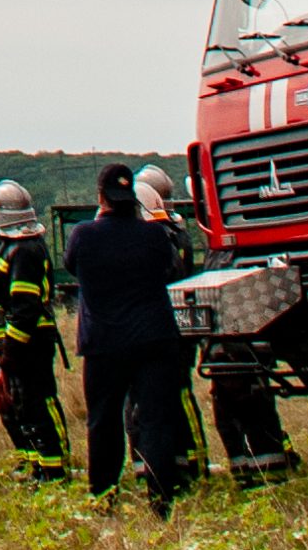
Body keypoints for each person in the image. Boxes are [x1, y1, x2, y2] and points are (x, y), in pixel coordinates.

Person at [63, 163, 190, 515]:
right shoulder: (154, 236)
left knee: (103, 421)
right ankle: (162, 499)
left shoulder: (83, 235)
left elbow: (73, 266)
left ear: (101, 196)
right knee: (155, 419)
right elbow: (168, 270)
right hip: (154, 340)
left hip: (104, 343)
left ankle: (104, 497)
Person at [0, 179, 70, 483]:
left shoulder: (24, 251)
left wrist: (10, 352)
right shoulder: (9, 248)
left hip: (30, 344)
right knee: (17, 407)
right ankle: (33, 463)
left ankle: (54, 470)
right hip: (13, 344)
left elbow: (24, 308)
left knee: (37, 403)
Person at [131, 166, 209, 487]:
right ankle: (165, 462)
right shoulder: (174, 231)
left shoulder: (168, 235)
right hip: (167, 329)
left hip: (171, 330)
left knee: (178, 396)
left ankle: (191, 459)